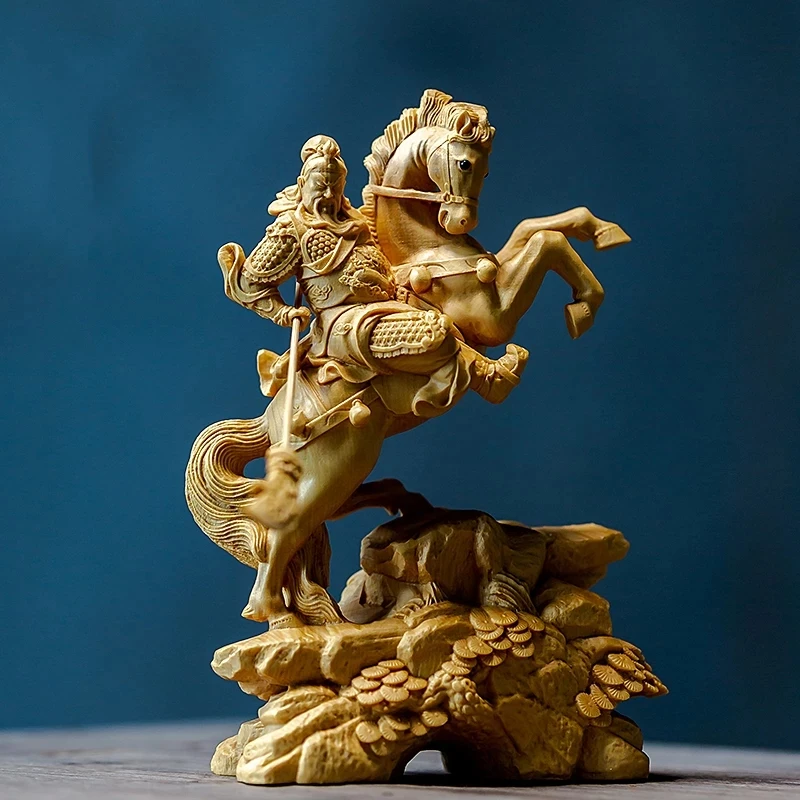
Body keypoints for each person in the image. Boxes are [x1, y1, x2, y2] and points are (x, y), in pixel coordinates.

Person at [222, 135, 526, 420]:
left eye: (335, 186)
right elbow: (249, 282)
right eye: (320, 186)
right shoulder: (291, 229)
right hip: (346, 325)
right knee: (432, 335)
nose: (328, 195)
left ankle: (480, 367)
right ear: (303, 184)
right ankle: (485, 379)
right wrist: (283, 313)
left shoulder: (352, 219)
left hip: (390, 300)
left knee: (443, 311)